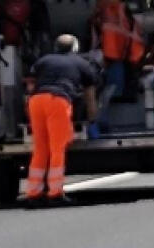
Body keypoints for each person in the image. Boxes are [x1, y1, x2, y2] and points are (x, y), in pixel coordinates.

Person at [24, 34, 99, 207]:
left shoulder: (43, 61)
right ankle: (55, 193)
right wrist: (92, 118)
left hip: (35, 102)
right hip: (57, 101)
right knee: (57, 148)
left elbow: (30, 84)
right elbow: (90, 95)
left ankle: (33, 193)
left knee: (41, 148)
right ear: (75, 48)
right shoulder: (82, 63)